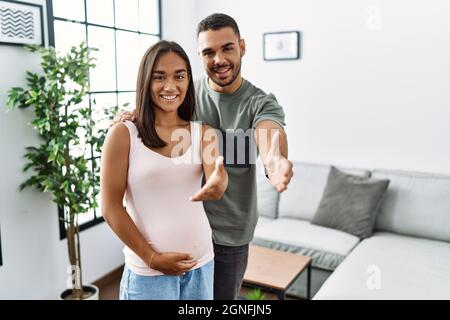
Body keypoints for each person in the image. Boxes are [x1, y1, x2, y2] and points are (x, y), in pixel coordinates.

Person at [115, 13, 293, 300]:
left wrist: (275, 160)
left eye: (227, 48)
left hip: (228, 235)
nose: (219, 59)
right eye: (209, 52)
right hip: (183, 233)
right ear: (199, 56)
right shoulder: (186, 94)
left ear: (242, 47)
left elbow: (269, 134)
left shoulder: (259, 103)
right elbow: (158, 107)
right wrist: (133, 115)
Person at [100, 40, 228, 300]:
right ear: (146, 81)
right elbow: (110, 207)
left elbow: (217, 175)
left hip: (201, 265)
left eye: (179, 76)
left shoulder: (203, 133)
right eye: (159, 77)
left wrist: (219, 181)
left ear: (188, 80)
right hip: (148, 276)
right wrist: (152, 258)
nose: (170, 86)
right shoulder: (124, 134)